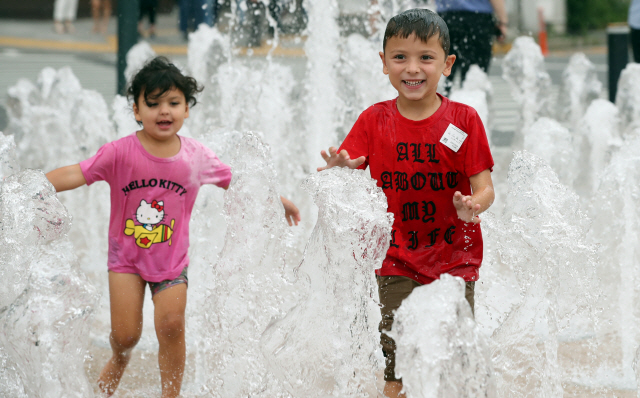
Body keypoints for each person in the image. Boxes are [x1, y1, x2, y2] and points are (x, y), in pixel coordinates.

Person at [46, 56, 301, 398]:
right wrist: (34, 186)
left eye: (173, 103)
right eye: (152, 104)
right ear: (136, 110)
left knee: (171, 326)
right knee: (126, 335)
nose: (163, 111)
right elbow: (77, 172)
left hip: (171, 263)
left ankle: (171, 394)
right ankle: (120, 358)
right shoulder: (120, 152)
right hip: (126, 261)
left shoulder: (196, 156)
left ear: (187, 110)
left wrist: (277, 200)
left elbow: (239, 181)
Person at [317, 9, 494, 398]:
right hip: (395, 258)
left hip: (454, 260)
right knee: (395, 362)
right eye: (400, 57)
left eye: (425, 58)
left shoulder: (463, 121)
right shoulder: (374, 120)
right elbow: (346, 172)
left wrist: (473, 205)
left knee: (454, 359)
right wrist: (340, 169)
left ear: (446, 64)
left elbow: (486, 187)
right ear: (383, 63)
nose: (412, 68)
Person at [435, 0, 508, 92]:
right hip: (478, 20)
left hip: (446, 18)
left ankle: (442, 102)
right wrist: (503, 22)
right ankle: (469, 102)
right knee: (474, 74)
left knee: (445, 71)